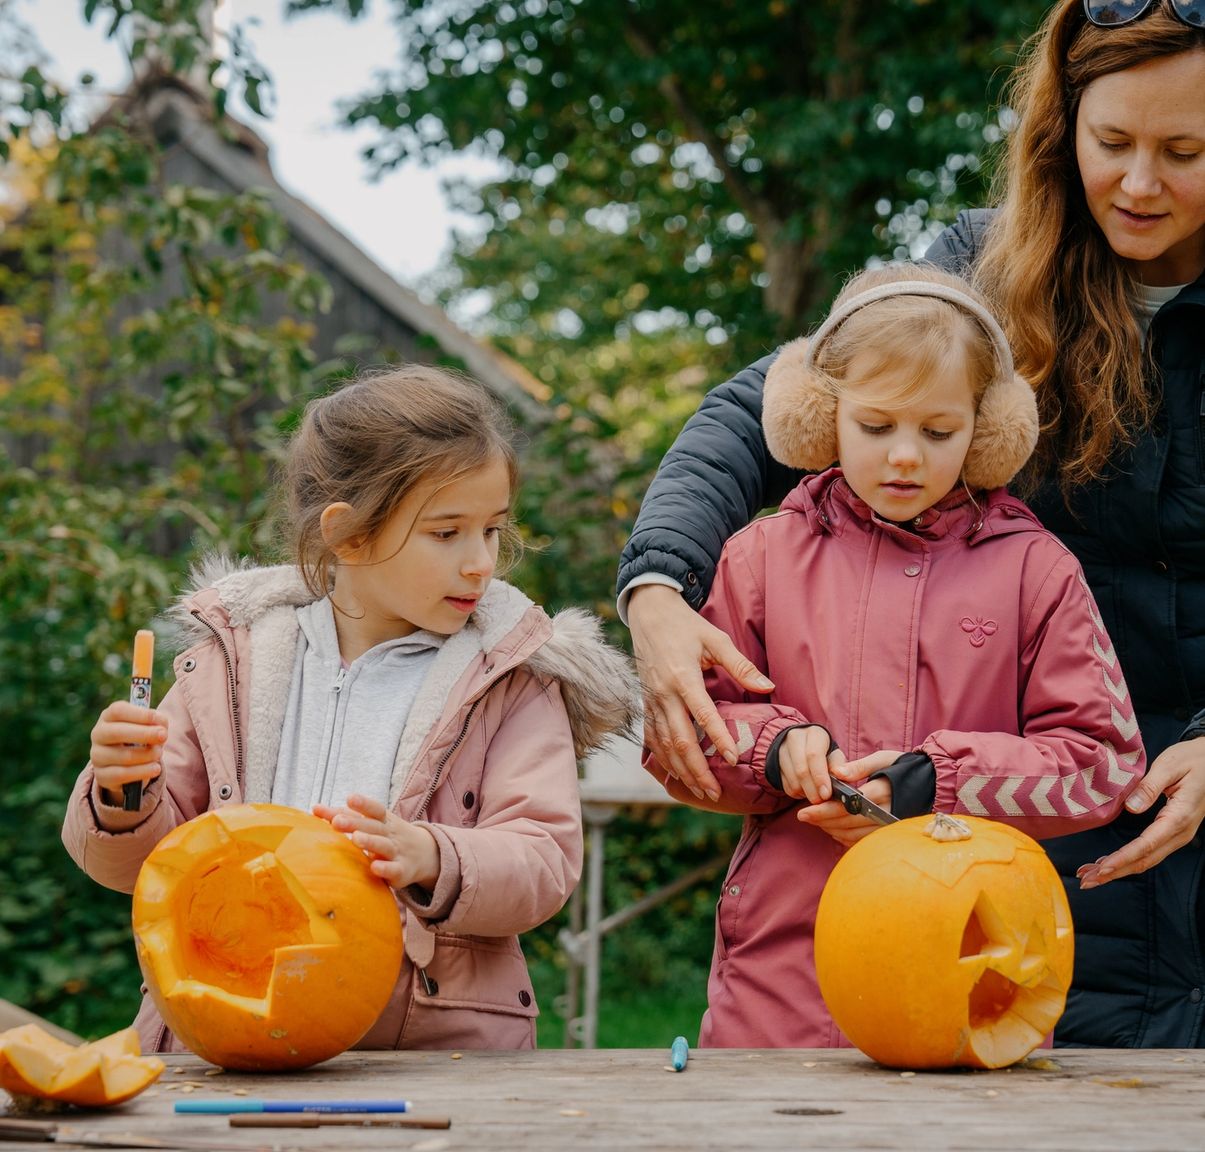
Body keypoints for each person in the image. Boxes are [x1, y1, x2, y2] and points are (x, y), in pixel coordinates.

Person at [620, 0, 1205, 1047]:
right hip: (998, 840)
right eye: (1110, 143)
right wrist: (657, 588)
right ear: (1059, 130)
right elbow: (757, 410)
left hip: (1156, 820)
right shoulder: (977, 274)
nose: (1137, 182)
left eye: (1185, 150)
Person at [64, 364, 638, 1053]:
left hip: (432, 1049)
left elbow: (542, 863)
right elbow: (144, 870)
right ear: (349, 535)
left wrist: (432, 853)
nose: (481, 561)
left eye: (491, 530)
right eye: (446, 532)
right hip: (231, 1030)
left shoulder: (511, 678)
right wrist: (122, 792)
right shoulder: (229, 664)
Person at [641, 262, 1144, 1048]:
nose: (904, 456)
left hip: (969, 981)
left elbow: (1101, 762)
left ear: (988, 429)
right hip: (781, 985)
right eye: (876, 427)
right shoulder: (758, 557)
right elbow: (678, 740)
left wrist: (942, 781)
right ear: (820, 417)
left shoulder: (1036, 573)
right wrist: (774, 748)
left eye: (937, 432)